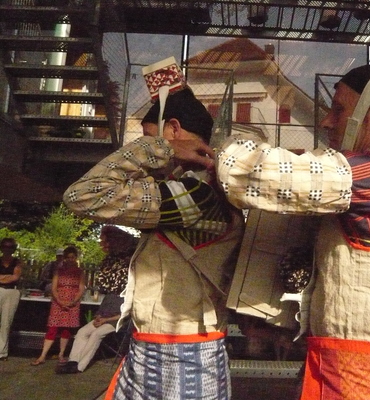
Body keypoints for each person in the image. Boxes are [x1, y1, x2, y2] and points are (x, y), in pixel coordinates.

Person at [215, 63, 370, 399]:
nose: (327, 122)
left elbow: (245, 174)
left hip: (364, 382)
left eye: (338, 110)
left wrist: (222, 146)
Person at [63, 86, 244, 399]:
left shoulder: (194, 193)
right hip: (170, 348)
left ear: (172, 130)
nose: (144, 144)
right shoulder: (198, 188)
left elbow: (82, 195)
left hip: (181, 356)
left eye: (147, 136)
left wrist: (157, 148)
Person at [57, 226, 136, 374]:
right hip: (104, 318)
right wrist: (99, 316)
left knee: (96, 334)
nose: (101, 244)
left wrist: (106, 320)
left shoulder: (128, 290)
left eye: (104, 241)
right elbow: (104, 303)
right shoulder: (111, 288)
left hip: (116, 321)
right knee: (82, 332)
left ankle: (79, 366)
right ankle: (73, 361)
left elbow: (127, 313)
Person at [31, 245, 85, 366]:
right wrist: (60, 301)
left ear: (76, 258)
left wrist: (73, 302)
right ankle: (43, 355)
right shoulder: (59, 271)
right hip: (58, 302)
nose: (70, 259)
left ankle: (61, 354)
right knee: (52, 328)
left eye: (73, 257)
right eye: (68, 257)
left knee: (66, 329)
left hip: (72, 302)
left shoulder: (80, 272)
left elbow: (81, 288)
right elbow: (54, 288)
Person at [0, 238, 22, 361]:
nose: (7, 249)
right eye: (5, 246)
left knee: (6, 322)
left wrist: (3, 278)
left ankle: (2, 352)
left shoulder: (16, 262)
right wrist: (7, 277)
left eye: (10, 247)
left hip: (11, 292)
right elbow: (11, 276)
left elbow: (15, 277)